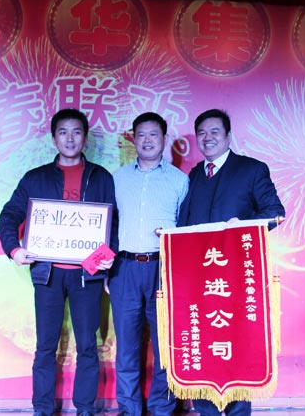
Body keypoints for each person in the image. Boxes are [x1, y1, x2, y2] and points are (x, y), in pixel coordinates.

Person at [0, 108, 118, 416]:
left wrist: (104, 261)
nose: (70, 138)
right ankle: (42, 408)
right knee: (46, 346)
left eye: (76, 131)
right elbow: (9, 215)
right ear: (54, 138)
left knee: (87, 346)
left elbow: (115, 224)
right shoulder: (35, 178)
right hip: (48, 275)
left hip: (87, 275)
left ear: (85, 138)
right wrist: (14, 250)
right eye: (63, 132)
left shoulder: (101, 177)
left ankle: (85, 408)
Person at [177, 108, 285, 416]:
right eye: (202, 133)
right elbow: (184, 225)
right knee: (203, 345)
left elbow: (275, 212)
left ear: (227, 136)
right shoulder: (195, 175)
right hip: (199, 280)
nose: (207, 138)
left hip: (236, 277)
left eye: (214, 132)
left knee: (236, 347)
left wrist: (241, 227)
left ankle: (238, 411)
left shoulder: (251, 169)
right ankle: (207, 410)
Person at [110, 112, 189, 416]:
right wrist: (107, 270)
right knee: (126, 348)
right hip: (124, 268)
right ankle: (129, 409)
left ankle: (161, 408)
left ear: (164, 139)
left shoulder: (179, 181)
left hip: (163, 269)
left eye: (153, 134)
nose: (147, 140)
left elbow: (186, 228)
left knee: (165, 346)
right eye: (141, 134)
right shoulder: (117, 178)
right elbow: (108, 225)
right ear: (133, 138)